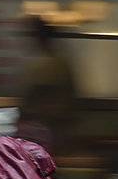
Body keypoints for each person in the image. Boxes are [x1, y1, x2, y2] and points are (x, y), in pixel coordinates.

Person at [15, 16, 78, 157]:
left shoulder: (46, 65)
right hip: (54, 131)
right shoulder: (61, 63)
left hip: (44, 131)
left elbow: (45, 102)